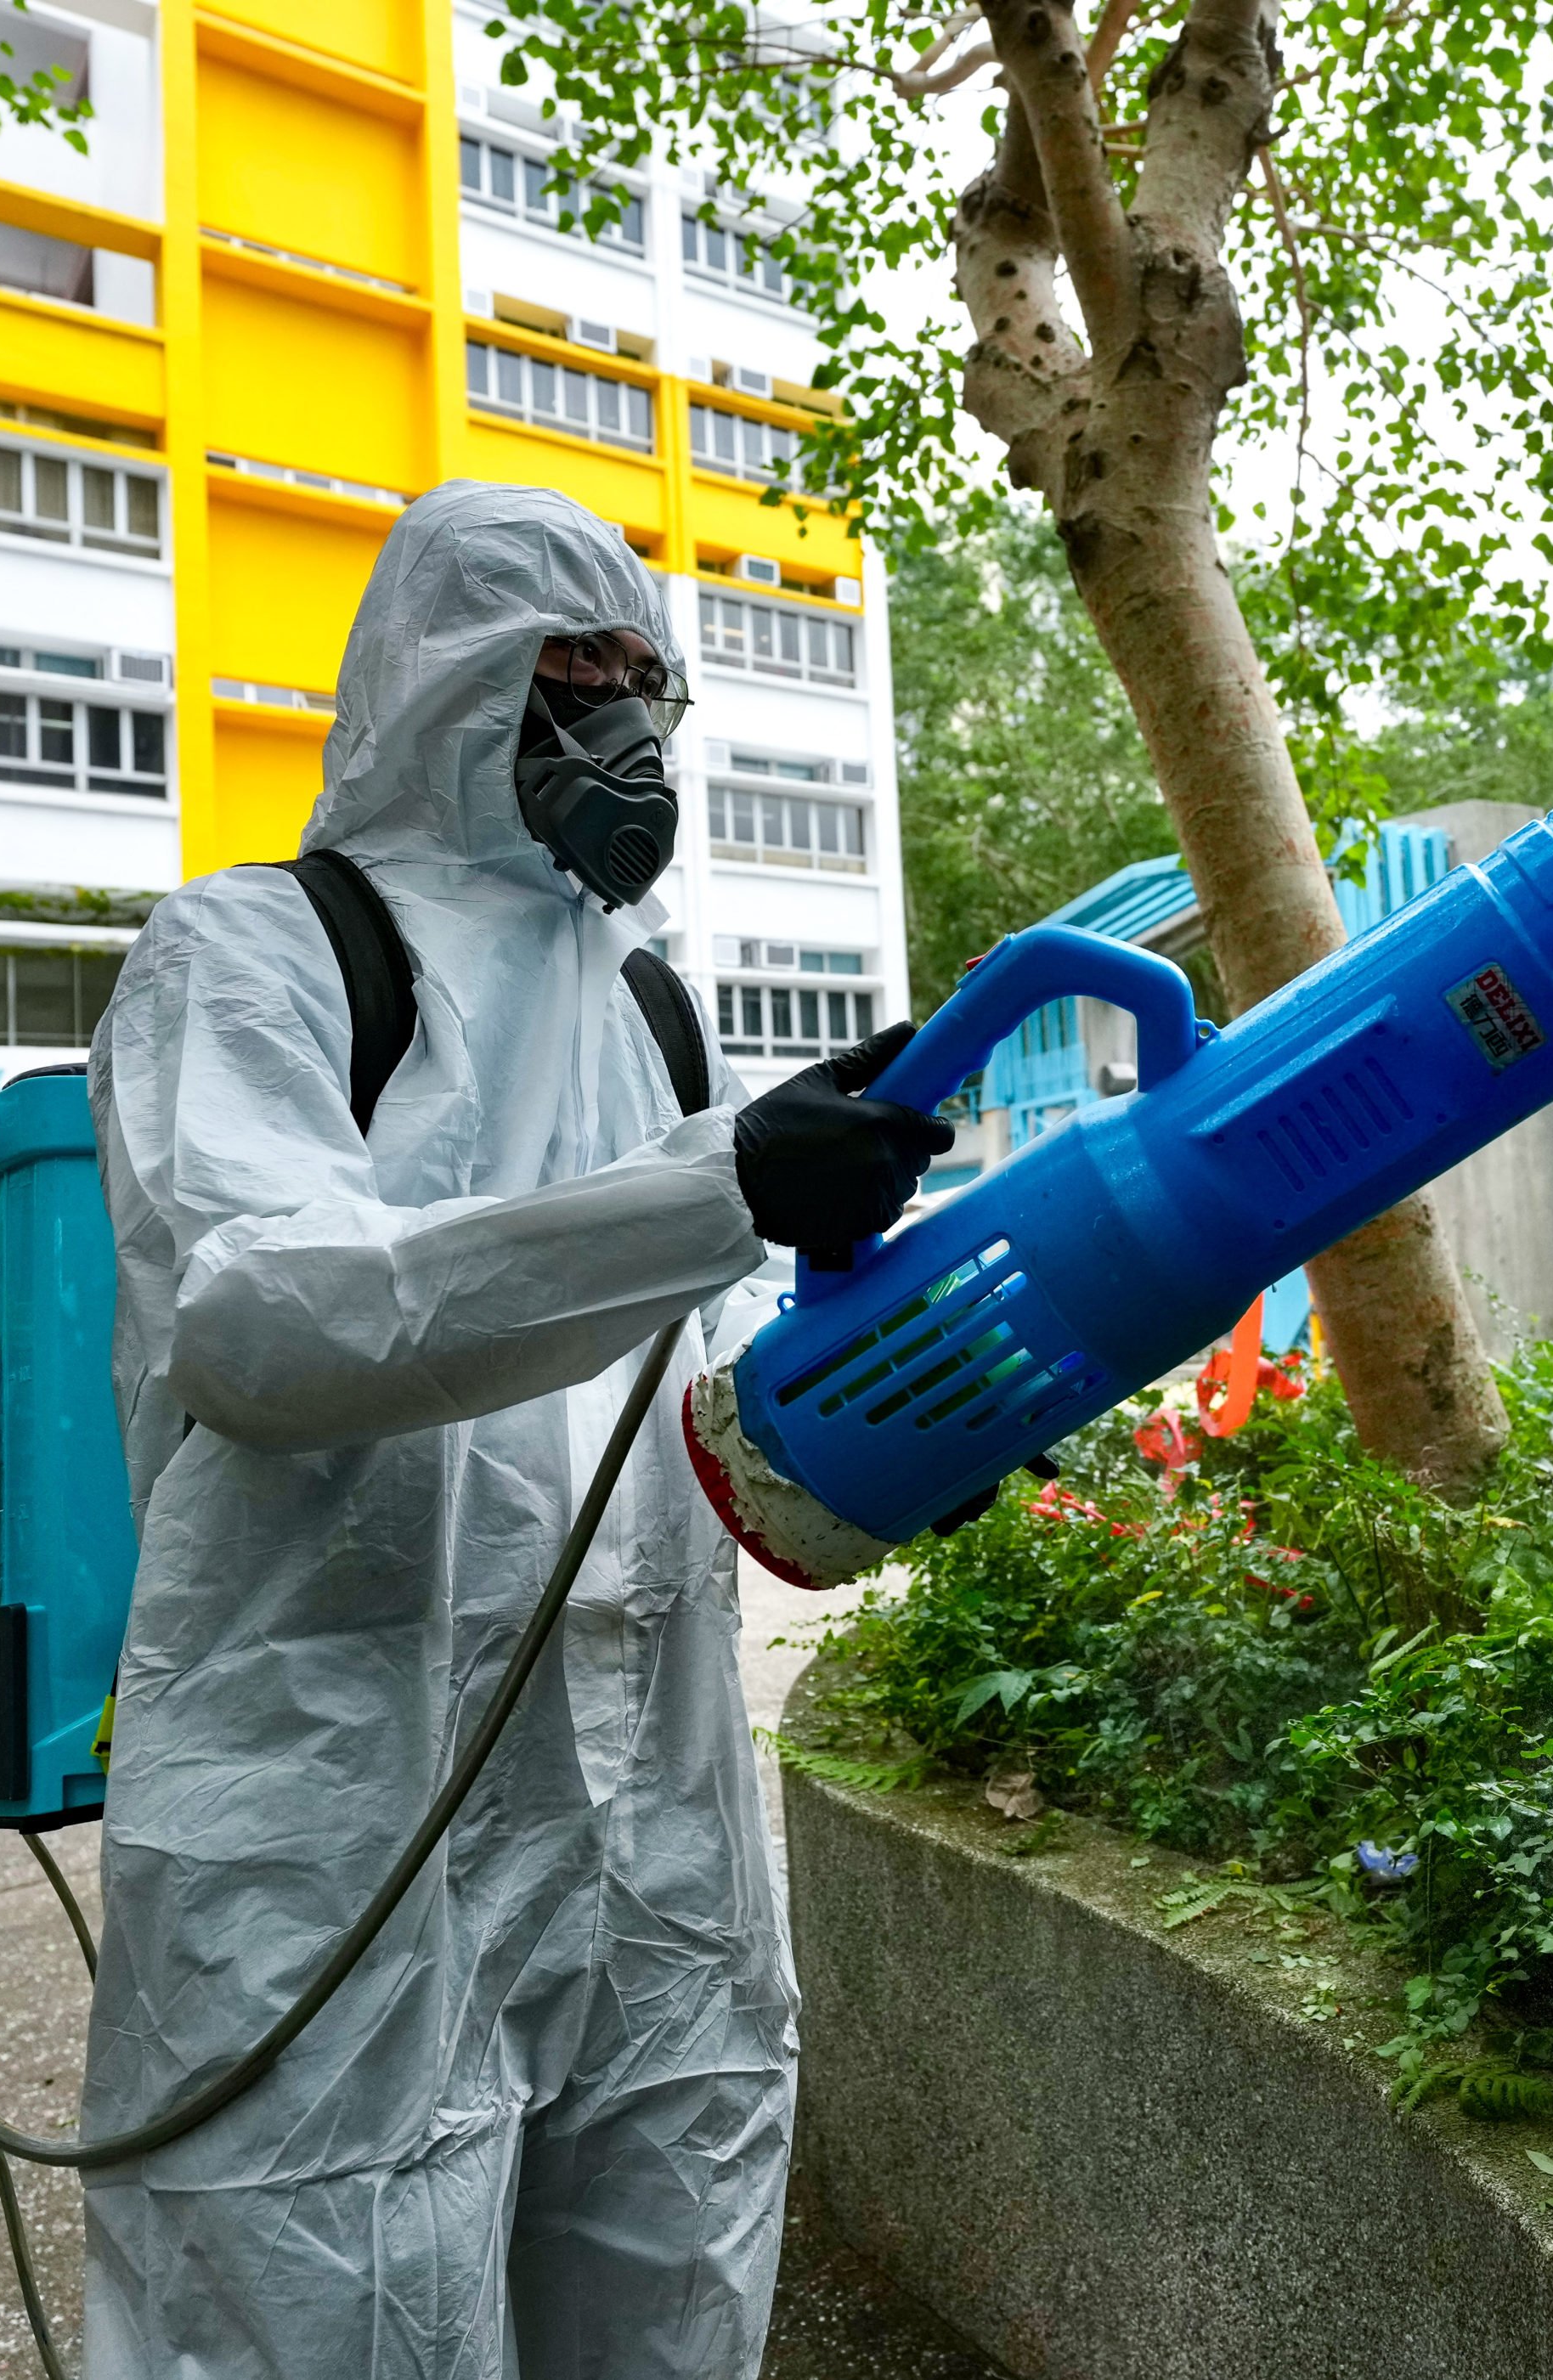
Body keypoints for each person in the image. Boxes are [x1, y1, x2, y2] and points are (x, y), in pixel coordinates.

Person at [82, 482, 949, 2377]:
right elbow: (267, 1319)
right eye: (573, 678)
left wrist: (936, 1378)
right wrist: (719, 1192)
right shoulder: (259, 954)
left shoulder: (653, 1015)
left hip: (652, 1828)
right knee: (328, 2310)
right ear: (438, 684)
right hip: (336, 1815)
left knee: (674, 2288)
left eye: (649, 685)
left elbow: (706, 1415)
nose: (623, 730)